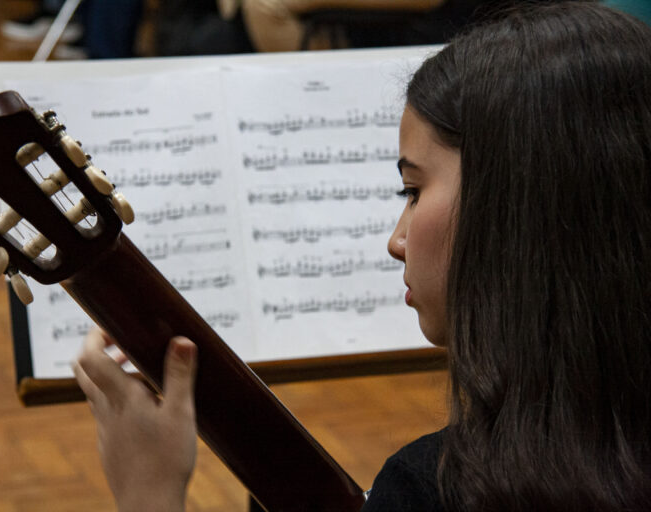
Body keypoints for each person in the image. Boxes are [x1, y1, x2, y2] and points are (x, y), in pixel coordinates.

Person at [72, 2, 651, 510]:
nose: (396, 240)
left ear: (517, 210)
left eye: (413, 191)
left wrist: (149, 493)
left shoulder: (438, 489)